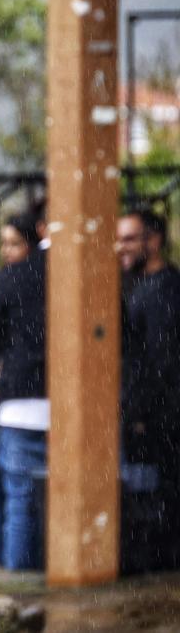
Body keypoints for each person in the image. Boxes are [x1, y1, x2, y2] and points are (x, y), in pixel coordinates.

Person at [115, 209, 180, 574]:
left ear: (153, 241)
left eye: (128, 239)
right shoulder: (139, 289)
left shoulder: (165, 293)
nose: (119, 247)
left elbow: (158, 362)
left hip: (158, 422)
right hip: (151, 417)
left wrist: (139, 411)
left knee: (157, 506)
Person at [0, 231, 47, 570]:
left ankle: (15, 578)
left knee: (18, 502)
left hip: (20, 402)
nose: (7, 250)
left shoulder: (13, 277)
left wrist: (3, 364)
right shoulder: (81, 268)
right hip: (72, 404)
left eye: (13, 242)